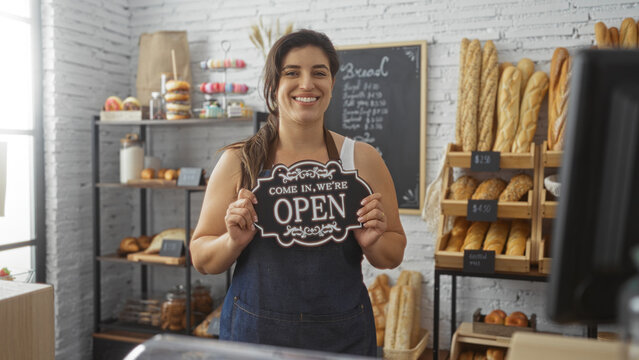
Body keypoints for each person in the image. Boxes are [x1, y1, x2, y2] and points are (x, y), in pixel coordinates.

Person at [190, 29, 406, 355]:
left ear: (332, 84)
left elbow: (394, 252)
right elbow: (202, 258)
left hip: (341, 336)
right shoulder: (239, 160)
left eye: (319, 72)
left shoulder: (362, 158)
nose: (307, 83)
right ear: (273, 86)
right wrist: (232, 241)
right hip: (255, 336)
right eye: (292, 73)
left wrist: (375, 242)